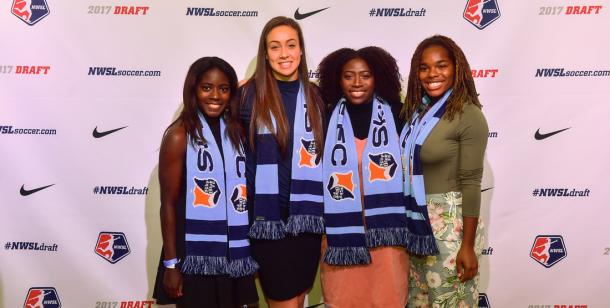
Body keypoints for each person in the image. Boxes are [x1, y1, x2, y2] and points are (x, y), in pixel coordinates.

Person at [153, 57, 259, 308]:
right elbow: (168, 204)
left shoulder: (236, 133)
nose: (215, 96)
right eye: (206, 88)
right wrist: (171, 264)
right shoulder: (179, 135)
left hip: (234, 253)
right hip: (194, 255)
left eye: (223, 89)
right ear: (193, 90)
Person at [237, 16, 325, 307]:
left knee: (299, 298)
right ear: (265, 54)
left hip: (307, 221)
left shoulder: (315, 96)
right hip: (267, 220)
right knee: (284, 301)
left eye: (290, 45)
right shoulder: (247, 94)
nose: (284, 54)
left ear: (301, 51)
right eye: (275, 47)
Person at [400, 35, 488, 307]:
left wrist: (468, 246)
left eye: (441, 66)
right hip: (417, 225)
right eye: (424, 67)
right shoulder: (417, 112)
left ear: (456, 68)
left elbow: (472, 182)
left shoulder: (468, 113)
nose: (432, 74)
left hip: (451, 230)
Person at [318, 46, 410, 307]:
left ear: (377, 77)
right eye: (349, 76)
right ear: (338, 79)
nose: (357, 83)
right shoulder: (324, 118)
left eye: (365, 75)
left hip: (386, 236)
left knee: (388, 299)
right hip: (341, 233)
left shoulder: (399, 115)